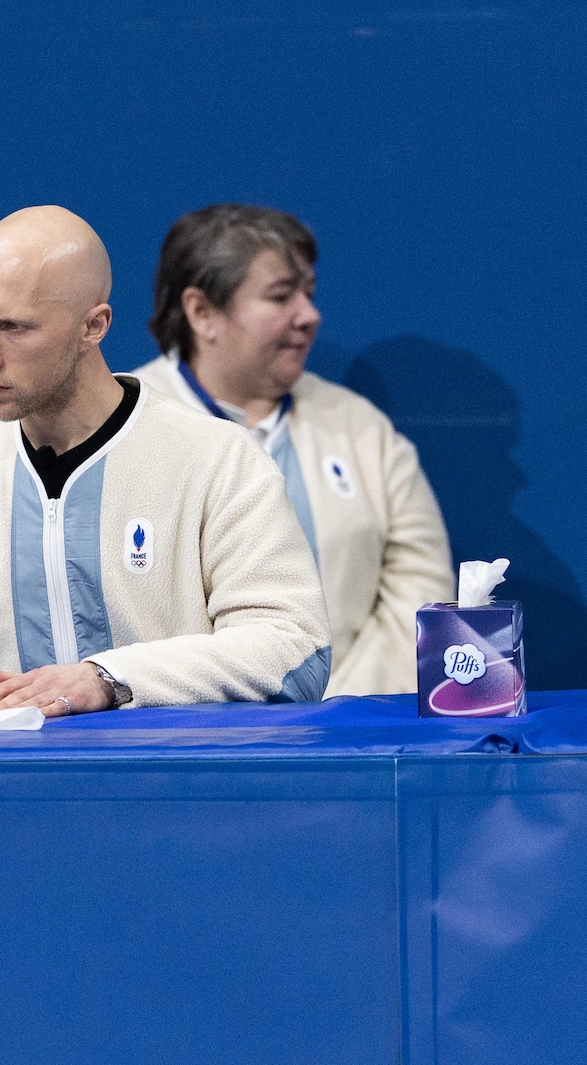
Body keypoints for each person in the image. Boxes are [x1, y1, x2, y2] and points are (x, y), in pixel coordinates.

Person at [0, 206, 331, 716]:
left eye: (14, 327)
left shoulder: (217, 461)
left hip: (173, 802)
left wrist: (108, 679)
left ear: (94, 326)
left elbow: (293, 648)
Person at [131, 204, 453, 696]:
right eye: (281, 296)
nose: (309, 315)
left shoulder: (359, 427)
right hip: (182, 742)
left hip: (354, 738)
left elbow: (421, 591)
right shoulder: (128, 428)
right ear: (202, 313)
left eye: (309, 293)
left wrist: (334, 713)